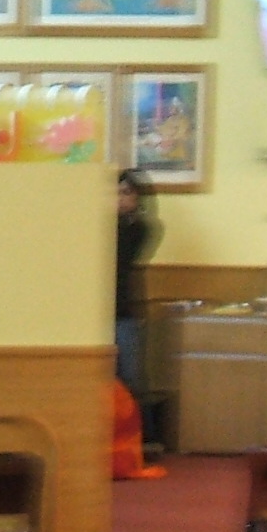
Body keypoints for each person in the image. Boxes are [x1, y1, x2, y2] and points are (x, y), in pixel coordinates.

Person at [115, 168, 162, 402]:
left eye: (125, 193)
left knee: (130, 377)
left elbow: (123, 255)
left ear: (138, 197)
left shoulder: (143, 228)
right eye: (114, 193)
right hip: (98, 312)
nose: (119, 198)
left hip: (125, 311)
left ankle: (137, 434)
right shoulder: (100, 227)